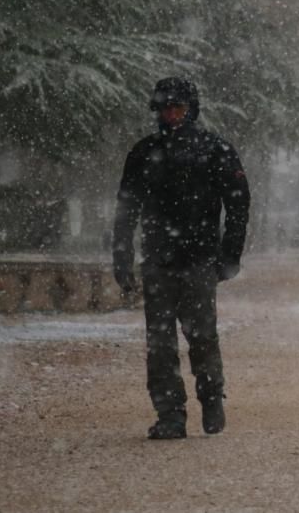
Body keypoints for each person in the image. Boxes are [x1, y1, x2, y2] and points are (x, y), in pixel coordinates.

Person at [112, 77, 250, 440]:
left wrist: (229, 255)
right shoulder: (144, 153)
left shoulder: (216, 151)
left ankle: (210, 395)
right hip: (159, 260)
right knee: (160, 344)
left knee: (202, 336)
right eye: (165, 109)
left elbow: (238, 205)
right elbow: (125, 211)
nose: (171, 115)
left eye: (178, 108)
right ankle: (170, 413)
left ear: (191, 110)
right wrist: (122, 257)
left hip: (200, 260)